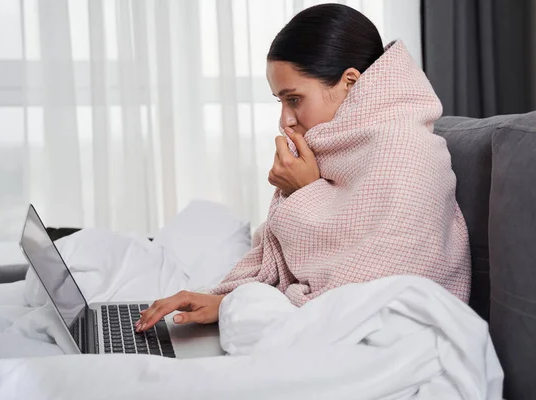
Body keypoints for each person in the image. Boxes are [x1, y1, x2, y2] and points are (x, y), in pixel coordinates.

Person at [136, 4, 471, 332]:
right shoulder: (339, 147)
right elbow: (314, 257)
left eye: (293, 99)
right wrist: (224, 299)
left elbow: (361, 291)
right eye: (279, 101)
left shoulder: (404, 151)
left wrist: (304, 193)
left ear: (350, 83)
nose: (285, 120)